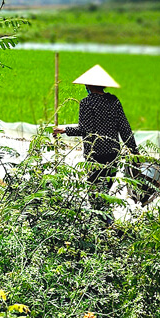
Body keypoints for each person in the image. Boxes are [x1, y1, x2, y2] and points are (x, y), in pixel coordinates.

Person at [52, 65, 138, 222]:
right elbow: (124, 128)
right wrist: (134, 150)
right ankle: (106, 224)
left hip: (95, 154)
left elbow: (84, 129)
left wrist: (64, 130)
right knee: (105, 191)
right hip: (113, 153)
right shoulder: (114, 101)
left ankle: (104, 224)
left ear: (89, 85)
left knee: (94, 193)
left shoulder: (87, 103)